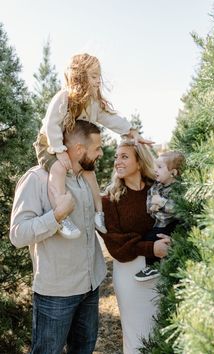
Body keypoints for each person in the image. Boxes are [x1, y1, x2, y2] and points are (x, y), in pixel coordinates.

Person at [10, 120, 107, 354]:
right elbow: (18, 234)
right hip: (56, 295)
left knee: (83, 349)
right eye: (97, 148)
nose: (101, 153)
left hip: (90, 285)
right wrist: (57, 216)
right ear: (78, 150)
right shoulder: (36, 179)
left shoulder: (85, 179)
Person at [34, 52, 153, 239]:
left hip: (73, 148)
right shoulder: (64, 98)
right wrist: (58, 150)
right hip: (49, 144)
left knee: (90, 174)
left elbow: (110, 119)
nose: (98, 81)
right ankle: (62, 216)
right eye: (94, 76)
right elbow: (51, 124)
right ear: (80, 78)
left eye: (99, 76)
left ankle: (99, 213)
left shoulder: (93, 104)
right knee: (58, 170)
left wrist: (132, 132)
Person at [99, 139, 171, 354]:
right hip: (130, 272)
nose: (117, 161)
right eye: (116, 157)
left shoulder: (158, 191)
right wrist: (151, 248)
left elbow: (174, 219)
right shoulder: (109, 199)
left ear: (139, 162)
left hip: (162, 266)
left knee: (163, 330)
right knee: (136, 335)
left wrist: (169, 243)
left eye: (124, 156)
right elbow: (115, 244)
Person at [134, 150, 186, 281]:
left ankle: (154, 267)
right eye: (155, 166)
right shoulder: (157, 186)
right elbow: (150, 202)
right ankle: (158, 264)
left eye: (160, 167)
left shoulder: (178, 188)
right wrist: (152, 206)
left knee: (153, 237)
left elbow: (179, 208)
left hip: (173, 223)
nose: (155, 170)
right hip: (160, 222)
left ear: (173, 173)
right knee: (150, 237)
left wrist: (161, 202)